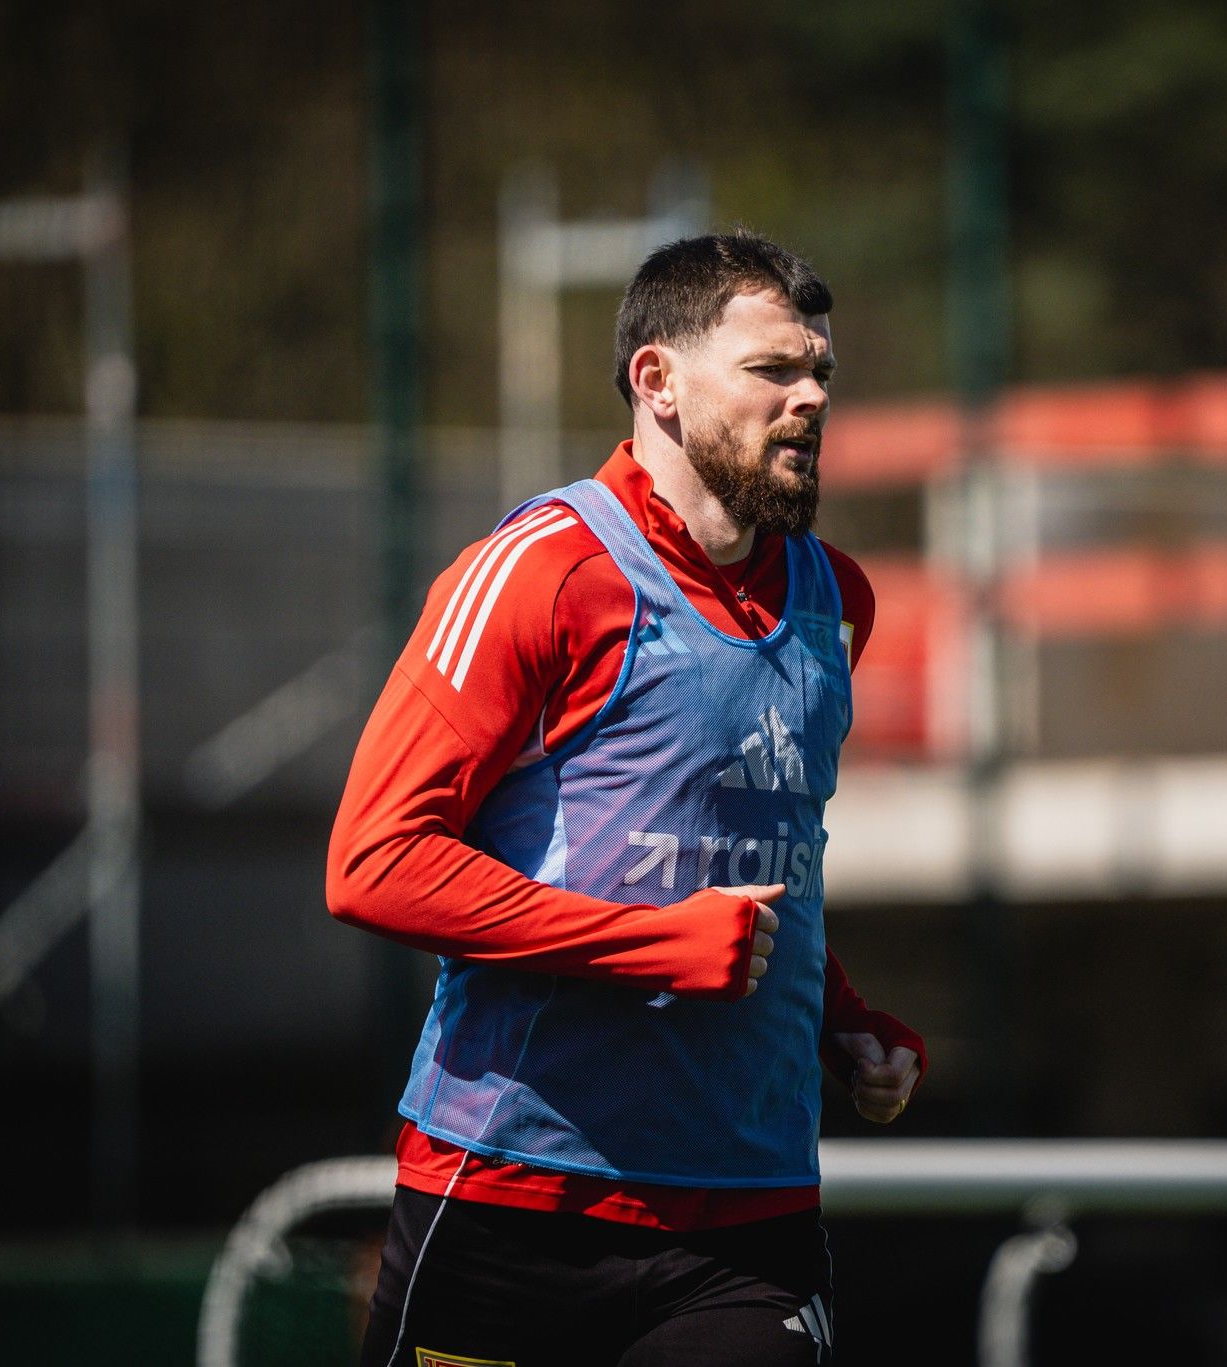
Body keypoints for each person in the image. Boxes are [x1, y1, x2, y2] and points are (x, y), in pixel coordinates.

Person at [328, 229, 926, 1367]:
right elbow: (373, 859)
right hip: (515, 1196)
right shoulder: (541, 570)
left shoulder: (835, 600)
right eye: (772, 372)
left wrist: (844, 1018)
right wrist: (646, 946)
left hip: (748, 1217)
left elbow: (756, 870)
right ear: (657, 380)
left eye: (822, 376)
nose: (809, 400)